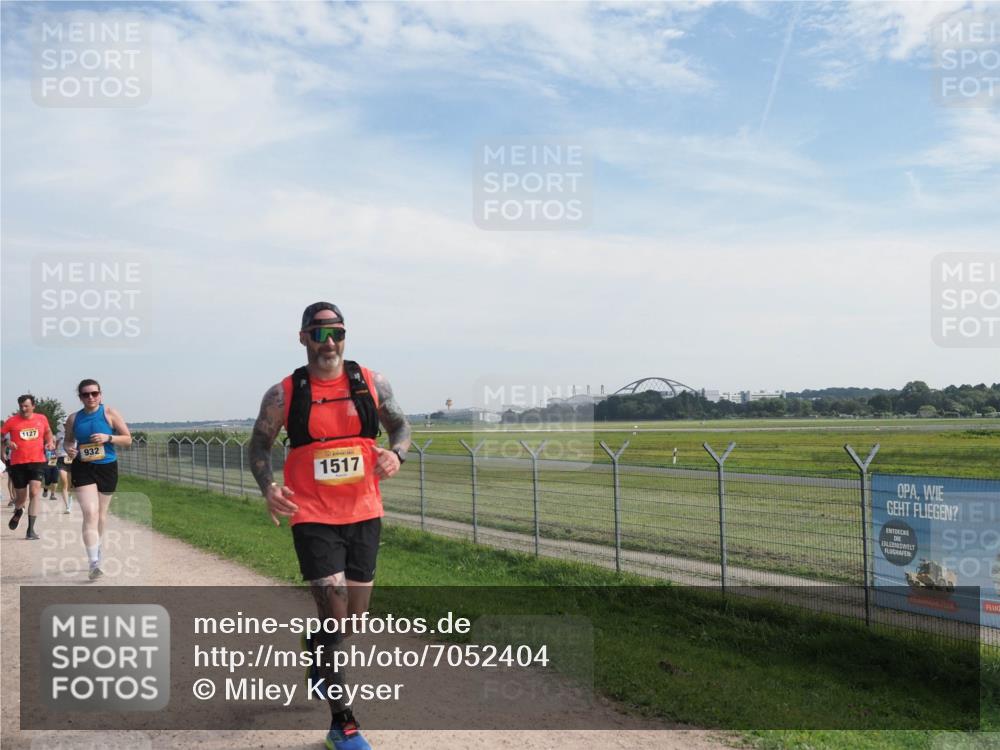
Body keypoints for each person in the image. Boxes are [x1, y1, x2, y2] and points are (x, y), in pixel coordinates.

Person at [250, 302, 411, 750]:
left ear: (345, 336)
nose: (329, 342)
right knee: (336, 614)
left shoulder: (371, 383)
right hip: (313, 516)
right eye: (319, 334)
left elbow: (401, 427)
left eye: (336, 332)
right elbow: (259, 444)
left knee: (353, 621)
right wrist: (267, 486)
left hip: (364, 512)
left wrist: (397, 453)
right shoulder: (284, 393)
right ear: (303, 338)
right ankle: (343, 723)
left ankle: (317, 651)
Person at [64, 379, 132, 581]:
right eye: (86, 394)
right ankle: (93, 562)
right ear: (80, 397)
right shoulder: (73, 418)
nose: (91, 397)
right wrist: (69, 447)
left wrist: (108, 437)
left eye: (94, 393)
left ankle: (97, 546)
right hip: (83, 467)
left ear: (100, 394)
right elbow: (68, 440)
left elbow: (128, 439)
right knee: (90, 513)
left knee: (101, 515)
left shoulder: (110, 413)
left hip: (107, 467)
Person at [2, 395, 55, 539]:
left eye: (26, 406)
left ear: (33, 406)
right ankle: (19, 510)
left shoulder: (41, 418)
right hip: (18, 463)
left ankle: (30, 530)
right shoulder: (12, 421)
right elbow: (1, 436)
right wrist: (7, 443)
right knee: (21, 497)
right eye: (21, 406)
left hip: (37, 461)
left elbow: (48, 431)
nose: (23, 409)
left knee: (34, 492)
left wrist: (49, 441)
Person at [43, 427, 72, 513]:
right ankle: (67, 506)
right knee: (61, 482)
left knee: (68, 483)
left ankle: (67, 500)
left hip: (70, 459)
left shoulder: (76, 433)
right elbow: (54, 447)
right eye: (65, 424)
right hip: (58, 460)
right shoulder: (59, 435)